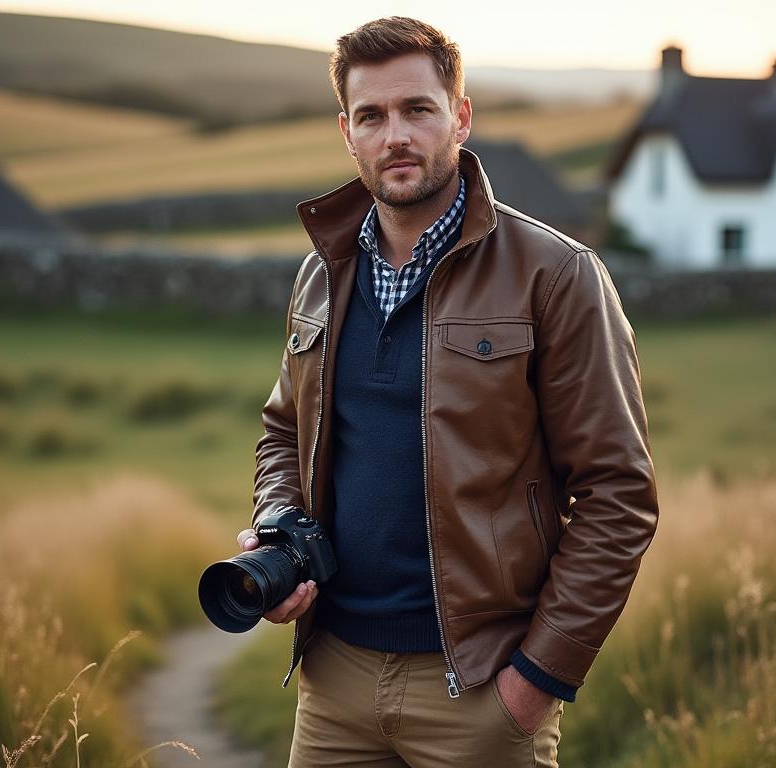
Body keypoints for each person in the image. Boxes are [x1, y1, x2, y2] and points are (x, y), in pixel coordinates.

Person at [234, 16, 659, 767]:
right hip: (332, 684)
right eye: (372, 116)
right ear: (347, 132)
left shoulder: (555, 274)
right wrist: (278, 523)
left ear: (460, 116)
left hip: (482, 688)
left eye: (417, 109)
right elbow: (283, 433)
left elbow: (618, 493)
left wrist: (536, 679)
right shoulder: (320, 276)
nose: (395, 135)